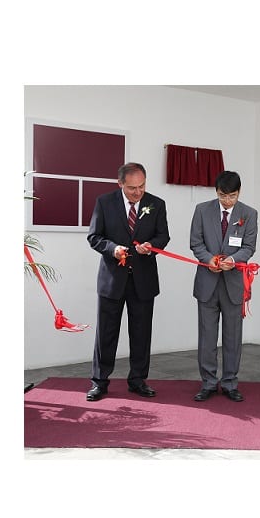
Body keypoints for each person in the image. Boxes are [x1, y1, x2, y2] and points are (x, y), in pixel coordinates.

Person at [86, 162, 171, 402]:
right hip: (112, 280)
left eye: (142, 186)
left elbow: (163, 235)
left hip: (143, 280)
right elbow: (94, 236)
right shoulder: (104, 202)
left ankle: (138, 381)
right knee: (106, 334)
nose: (138, 192)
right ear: (120, 183)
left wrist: (151, 246)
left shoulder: (156, 204)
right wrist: (112, 249)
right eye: (132, 188)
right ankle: (99, 382)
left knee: (141, 333)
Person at [189, 170, 258, 402]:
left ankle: (230, 383)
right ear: (216, 192)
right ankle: (208, 383)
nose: (227, 200)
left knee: (232, 337)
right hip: (207, 283)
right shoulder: (202, 210)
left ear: (239, 192)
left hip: (233, 283)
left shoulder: (249, 214)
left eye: (232, 196)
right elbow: (196, 242)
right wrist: (209, 259)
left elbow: (249, 247)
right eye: (222, 195)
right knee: (207, 337)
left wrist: (233, 260)